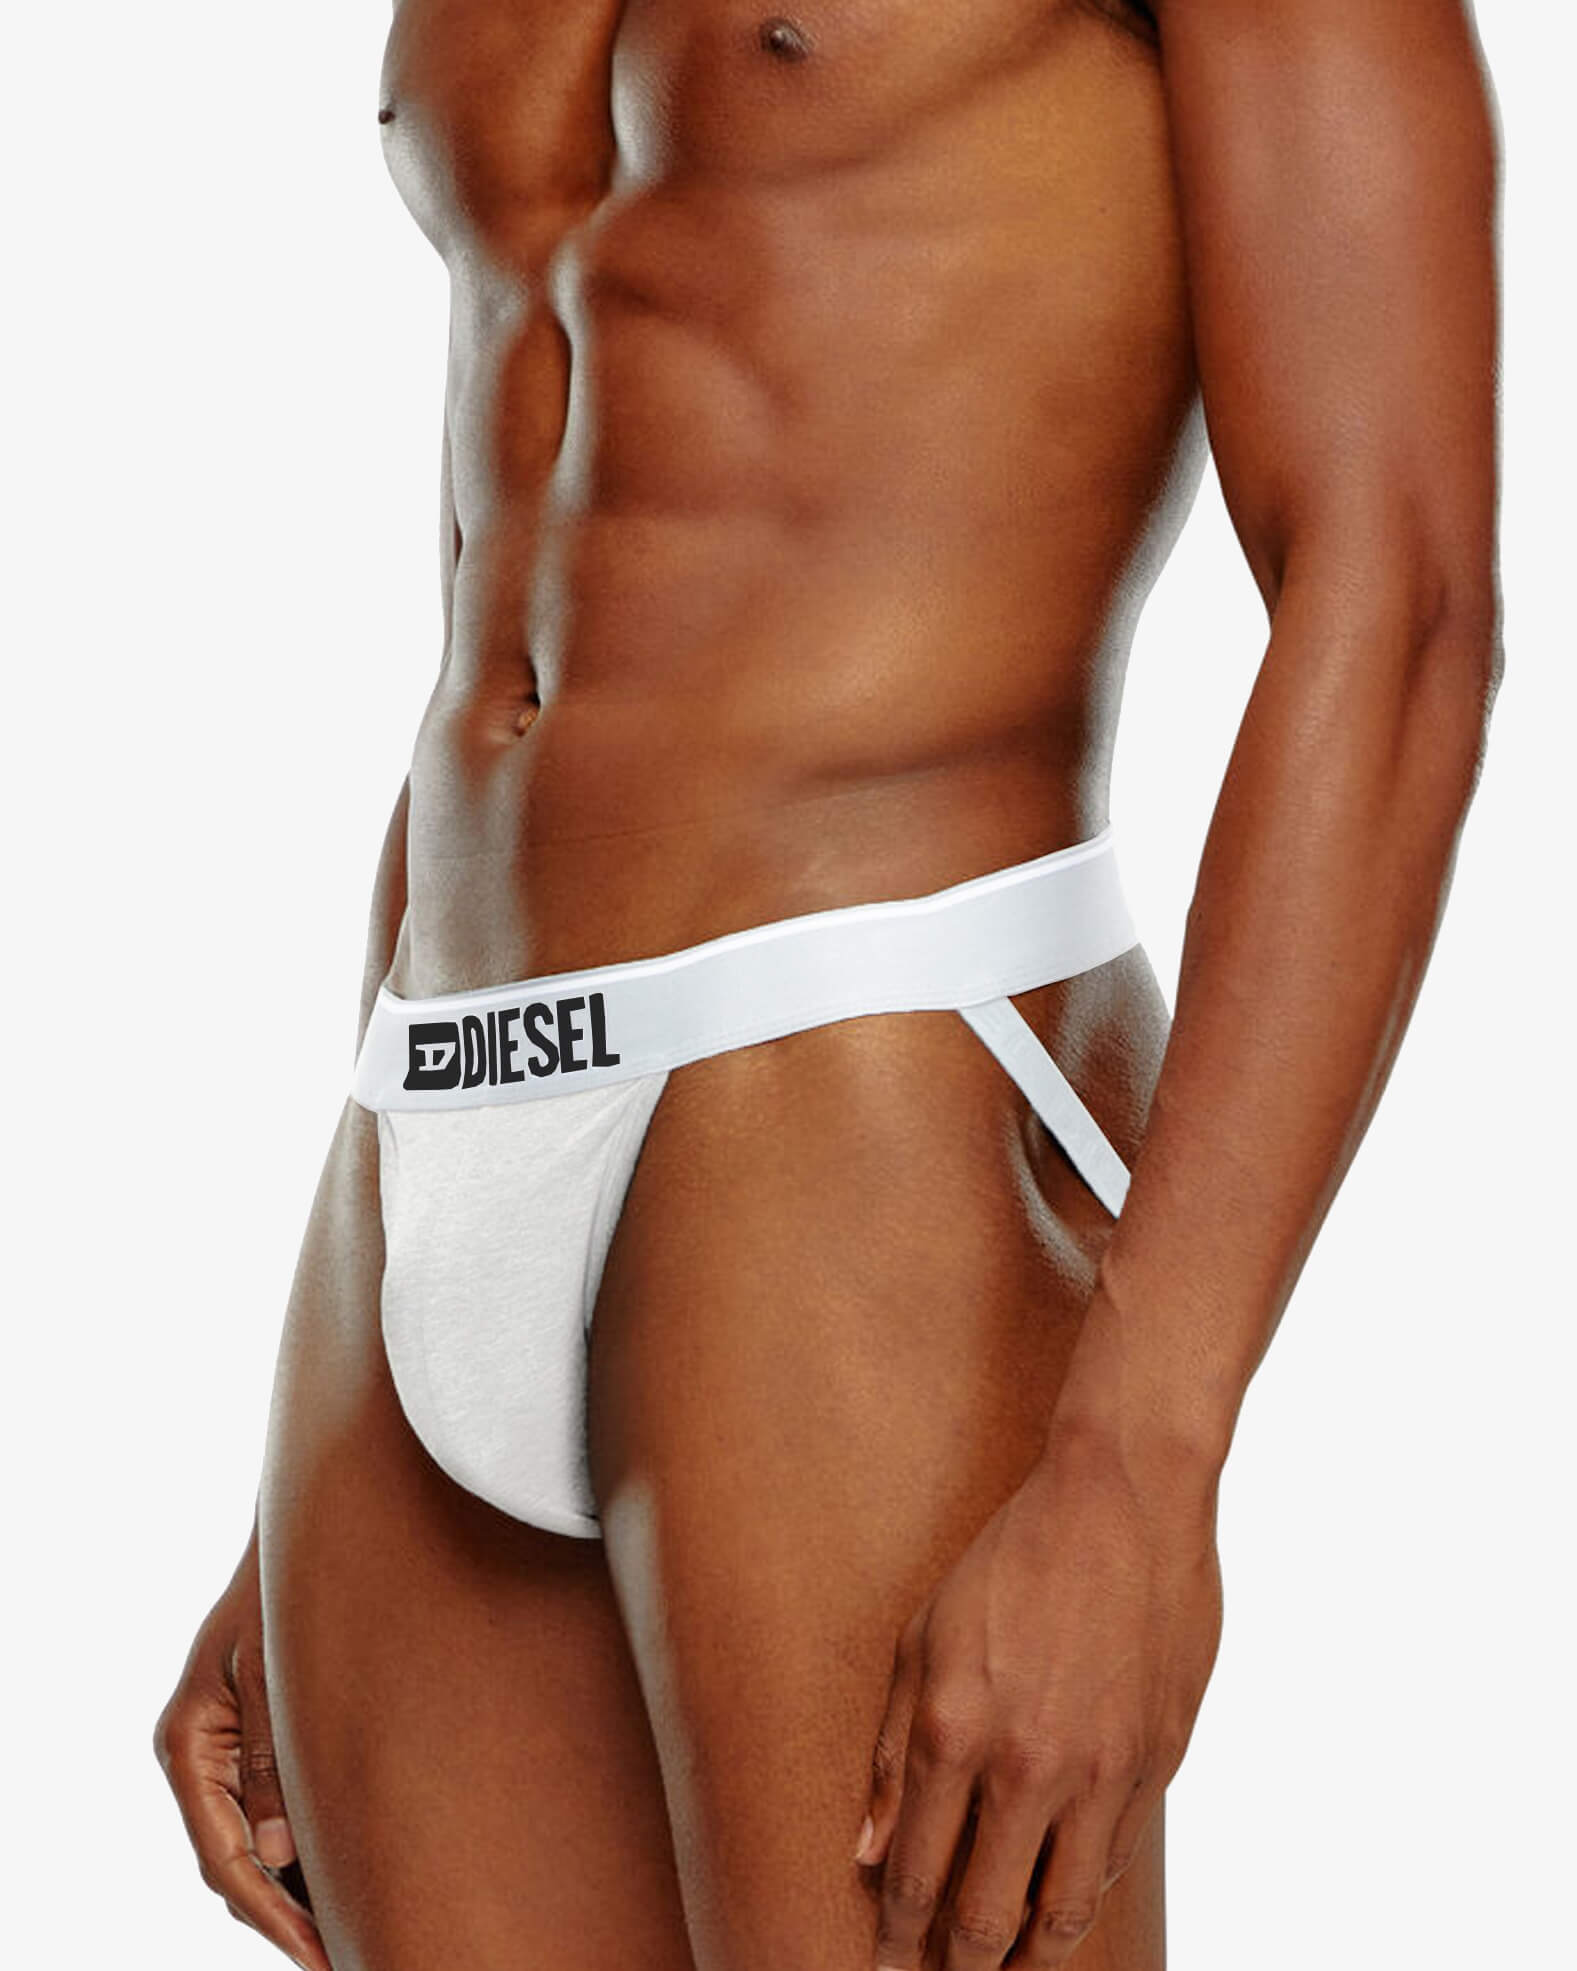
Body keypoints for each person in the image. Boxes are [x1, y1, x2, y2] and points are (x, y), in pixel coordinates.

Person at [152, 1, 1502, 1966]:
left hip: (862, 1078)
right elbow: (516, 577)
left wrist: (1142, 1453)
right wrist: (325, 1450)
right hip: (431, 1107)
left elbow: (1397, 600)